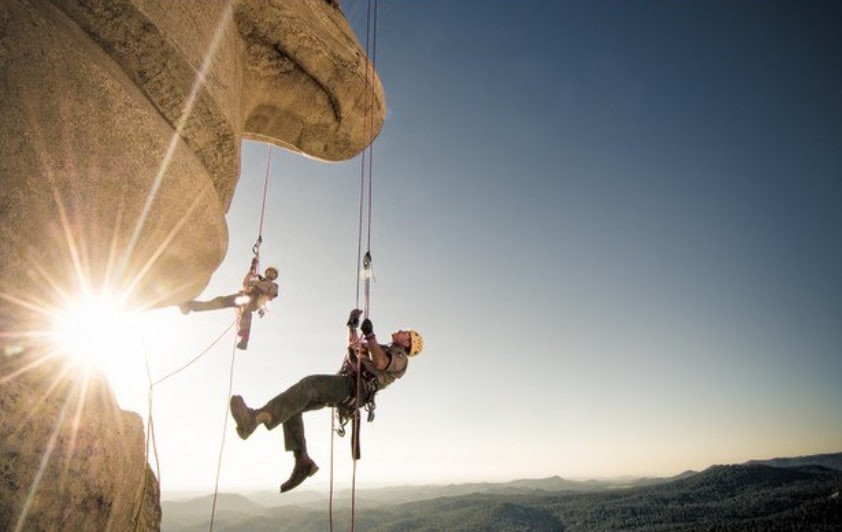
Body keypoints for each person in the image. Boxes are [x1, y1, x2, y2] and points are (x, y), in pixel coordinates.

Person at [228, 309, 424, 492]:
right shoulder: (383, 348)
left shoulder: (400, 357)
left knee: (309, 385)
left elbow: (381, 362)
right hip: (349, 386)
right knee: (295, 404)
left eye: (405, 333)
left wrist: (371, 335)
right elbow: (355, 347)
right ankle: (302, 460)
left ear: (408, 344)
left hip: (354, 388)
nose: (400, 331)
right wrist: (352, 327)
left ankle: (254, 420)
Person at [179, 264, 279, 350]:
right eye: (269, 271)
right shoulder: (257, 280)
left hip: (256, 299)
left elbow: (269, 297)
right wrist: (250, 273)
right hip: (245, 295)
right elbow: (245, 283)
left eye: (273, 272)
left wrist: (261, 307)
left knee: (246, 313)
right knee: (221, 301)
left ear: (275, 276)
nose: (271, 272)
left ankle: (244, 340)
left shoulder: (274, 285)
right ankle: (190, 306)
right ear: (266, 272)